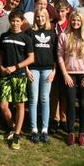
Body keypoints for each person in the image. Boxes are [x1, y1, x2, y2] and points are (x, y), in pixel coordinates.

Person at [58, 11, 84, 147]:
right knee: (70, 103)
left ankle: (82, 132)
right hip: (69, 74)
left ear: (82, 22)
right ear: (70, 21)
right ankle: (71, 132)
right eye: (73, 20)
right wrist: (65, 75)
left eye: (78, 20)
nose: (75, 23)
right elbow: (60, 56)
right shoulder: (64, 35)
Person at [0, 11, 34, 150]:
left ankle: (17, 136)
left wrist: (16, 67)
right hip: (5, 75)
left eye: (18, 21)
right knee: (3, 106)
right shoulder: (4, 36)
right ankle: (12, 128)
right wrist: (1, 67)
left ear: (22, 22)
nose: (15, 23)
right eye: (12, 20)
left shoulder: (26, 38)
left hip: (19, 75)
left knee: (19, 105)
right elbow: (0, 53)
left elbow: (31, 58)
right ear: (9, 21)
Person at [26, 8, 57, 144]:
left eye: (43, 16)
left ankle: (44, 129)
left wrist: (54, 71)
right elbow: (25, 53)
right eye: (38, 17)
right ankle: (34, 129)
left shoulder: (52, 33)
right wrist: (26, 70)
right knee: (33, 99)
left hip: (48, 70)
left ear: (47, 17)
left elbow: (56, 54)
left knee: (44, 98)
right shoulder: (30, 32)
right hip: (33, 69)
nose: (40, 19)